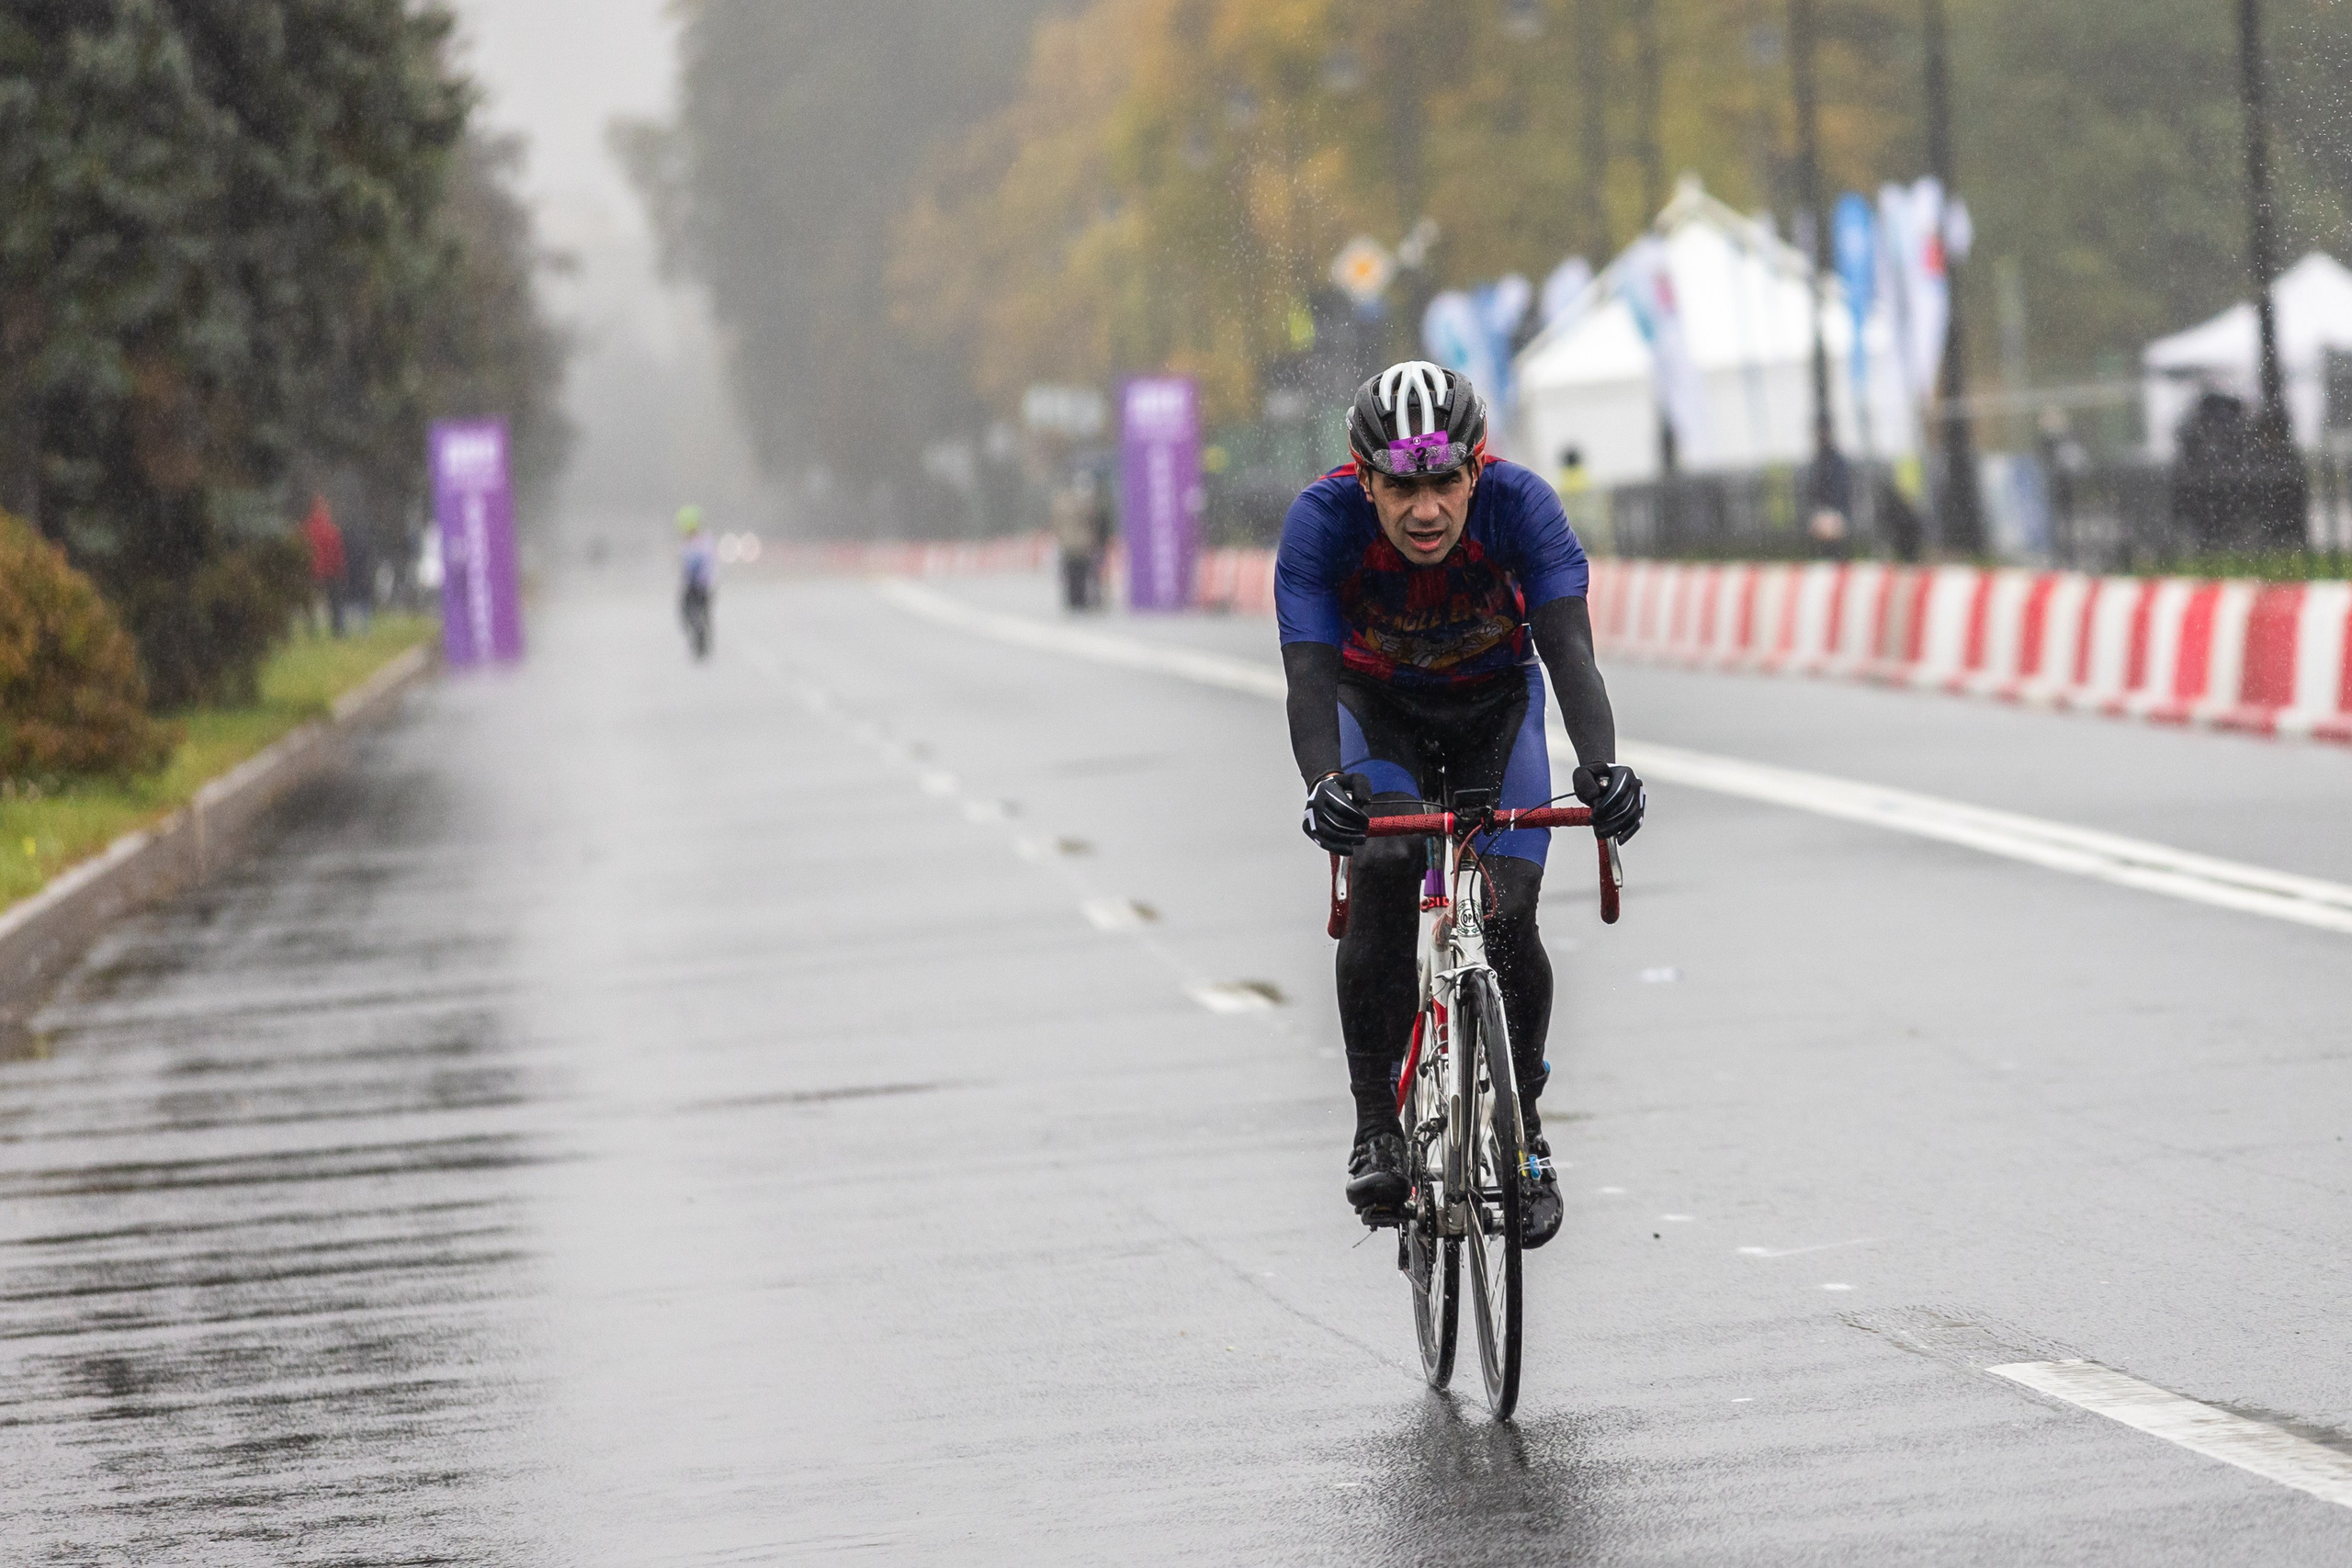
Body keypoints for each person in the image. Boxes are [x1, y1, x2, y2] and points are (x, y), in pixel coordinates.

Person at [1275, 362, 1645, 1247]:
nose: (1427, 508)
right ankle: (1376, 1122)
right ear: (1364, 479)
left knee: (1510, 908)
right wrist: (1325, 787)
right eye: (1402, 485)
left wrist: (1603, 769)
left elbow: (1568, 651)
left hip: (1494, 711)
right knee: (1389, 859)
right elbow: (1307, 677)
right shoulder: (1320, 526)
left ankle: (1525, 1131)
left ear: (1477, 468)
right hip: (1378, 718)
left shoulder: (1524, 509)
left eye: (1445, 479)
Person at [1050, 469, 1110, 611]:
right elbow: (1093, 520)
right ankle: (1080, 600)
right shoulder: (1085, 502)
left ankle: (1073, 600)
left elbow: (1056, 522)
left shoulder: (1061, 501)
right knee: (1081, 573)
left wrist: (1060, 537)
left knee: (1072, 574)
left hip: (1068, 544)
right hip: (1082, 543)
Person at [301, 494, 348, 637]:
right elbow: (338, 552)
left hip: (312, 572)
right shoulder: (332, 529)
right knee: (335, 603)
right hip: (330, 572)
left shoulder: (306, 528)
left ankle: (311, 631)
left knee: (310, 603)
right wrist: (340, 570)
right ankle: (338, 630)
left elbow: (302, 550)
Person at [677, 504, 717, 657]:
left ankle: (702, 645)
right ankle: (700, 643)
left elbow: (705, 565)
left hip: (700, 586)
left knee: (698, 615)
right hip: (693, 585)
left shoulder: (702, 542)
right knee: (690, 614)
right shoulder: (690, 542)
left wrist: (700, 581)